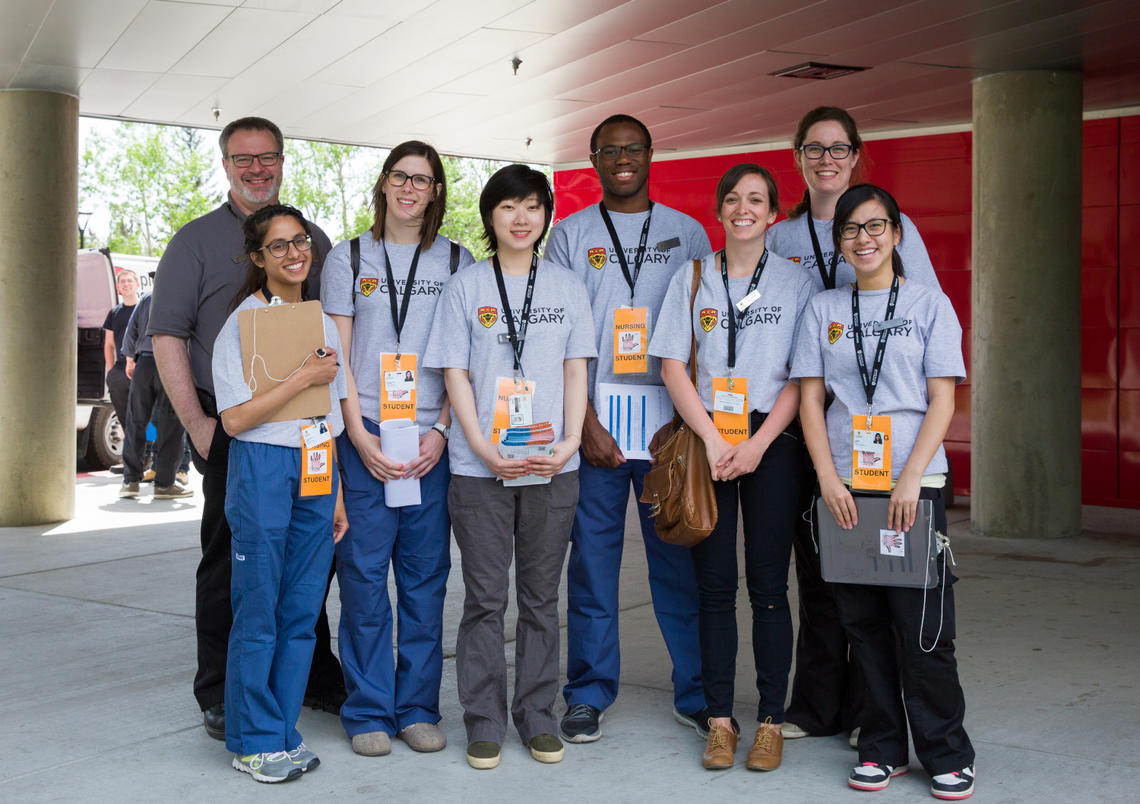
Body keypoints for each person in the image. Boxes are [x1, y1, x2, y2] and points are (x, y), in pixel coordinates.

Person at [148, 116, 341, 741]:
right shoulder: (195, 241)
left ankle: (304, 680)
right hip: (238, 426)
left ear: (282, 160)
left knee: (305, 571)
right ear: (226, 164)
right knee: (234, 568)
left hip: (307, 436)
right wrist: (201, 426)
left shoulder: (315, 237)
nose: (257, 169)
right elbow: (167, 335)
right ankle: (223, 694)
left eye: (268, 158)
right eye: (243, 160)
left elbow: (324, 335)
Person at [790, 184, 974, 799]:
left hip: (911, 485)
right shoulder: (824, 310)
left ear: (896, 234)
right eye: (850, 230)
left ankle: (946, 750)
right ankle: (882, 746)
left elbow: (943, 399)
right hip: (844, 486)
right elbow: (812, 399)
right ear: (838, 242)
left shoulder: (928, 304)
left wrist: (909, 478)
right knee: (861, 623)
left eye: (875, 227)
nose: (863, 239)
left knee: (922, 626)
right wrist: (826, 477)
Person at [766, 106, 942, 746]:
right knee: (818, 571)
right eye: (814, 148)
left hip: (878, 436)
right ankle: (817, 707)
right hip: (808, 421)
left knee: (879, 576)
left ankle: (876, 713)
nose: (827, 159)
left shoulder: (895, 230)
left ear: (856, 155)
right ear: (798, 157)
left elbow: (922, 321)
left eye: (839, 148)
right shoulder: (781, 238)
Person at [545, 113, 711, 743]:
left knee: (678, 557)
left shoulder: (687, 233)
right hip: (596, 427)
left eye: (632, 148)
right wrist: (582, 419)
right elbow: (559, 336)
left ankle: (697, 691)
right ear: (593, 159)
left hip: (670, 424)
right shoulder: (569, 236)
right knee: (592, 564)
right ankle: (588, 692)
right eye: (609, 150)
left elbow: (706, 330)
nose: (621, 158)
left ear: (650, 155)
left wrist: (694, 420)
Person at [424, 165, 595, 770]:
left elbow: (577, 369)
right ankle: (484, 720)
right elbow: (456, 374)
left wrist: (573, 440)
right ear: (490, 216)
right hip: (480, 470)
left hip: (553, 464)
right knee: (485, 600)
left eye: (531, 207)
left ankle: (538, 716)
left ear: (546, 214)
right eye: (507, 208)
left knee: (542, 599)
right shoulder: (466, 287)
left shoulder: (568, 287)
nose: (521, 219)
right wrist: (480, 446)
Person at [649, 164, 814, 771]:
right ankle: (720, 721)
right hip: (707, 442)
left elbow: (803, 377)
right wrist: (718, 439)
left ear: (774, 214)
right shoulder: (691, 277)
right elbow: (672, 366)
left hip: (773, 443)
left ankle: (770, 720)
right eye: (733, 200)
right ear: (718, 210)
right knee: (713, 589)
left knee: (769, 589)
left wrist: (757, 444)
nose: (743, 209)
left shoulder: (796, 283)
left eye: (757, 200)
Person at [321, 141, 475, 758]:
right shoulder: (347, 257)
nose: (410, 188)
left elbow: (461, 356)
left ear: (436, 191)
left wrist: (441, 430)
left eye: (423, 180)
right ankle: (366, 710)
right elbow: (336, 359)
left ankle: (416, 707)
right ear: (383, 184)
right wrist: (358, 435)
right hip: (367, 435)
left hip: (430, 440)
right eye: (400, 177)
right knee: (361, 579)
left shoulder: (459, 261)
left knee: (424, 579)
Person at [213, 204, 348, 783]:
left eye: (301, 243)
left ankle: (283, 731)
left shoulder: (323, 322)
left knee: (301, 611)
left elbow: (330, 415)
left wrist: (337, 494)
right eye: (279, 246)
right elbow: (234, 420)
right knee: (260, 609)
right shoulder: (241, 325)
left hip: (318, 465)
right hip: (264, 465)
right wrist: (298, 378)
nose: (294, 254)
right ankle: (251, 739)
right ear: (257, 257)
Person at [120, 289, 193, 499]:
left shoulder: (146, 297)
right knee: (171, 425)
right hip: (173, 362)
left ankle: (130, 481)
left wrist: (130, 359)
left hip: (144, 361)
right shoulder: (185, 295)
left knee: (137, 421)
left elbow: (131, 329)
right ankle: (164, 484)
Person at [104, 269, 138, 484]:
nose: (125, 284)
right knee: (125, 417)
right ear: (119, 287)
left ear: (136, 284)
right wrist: (111, 370)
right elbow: (108, 344)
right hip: (119, 372)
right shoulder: (114, 313)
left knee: (147, 416)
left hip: (141, 369)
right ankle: (132, 461)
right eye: (122, 282)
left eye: (129, 281)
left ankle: (151, 457)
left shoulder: (144, 307)